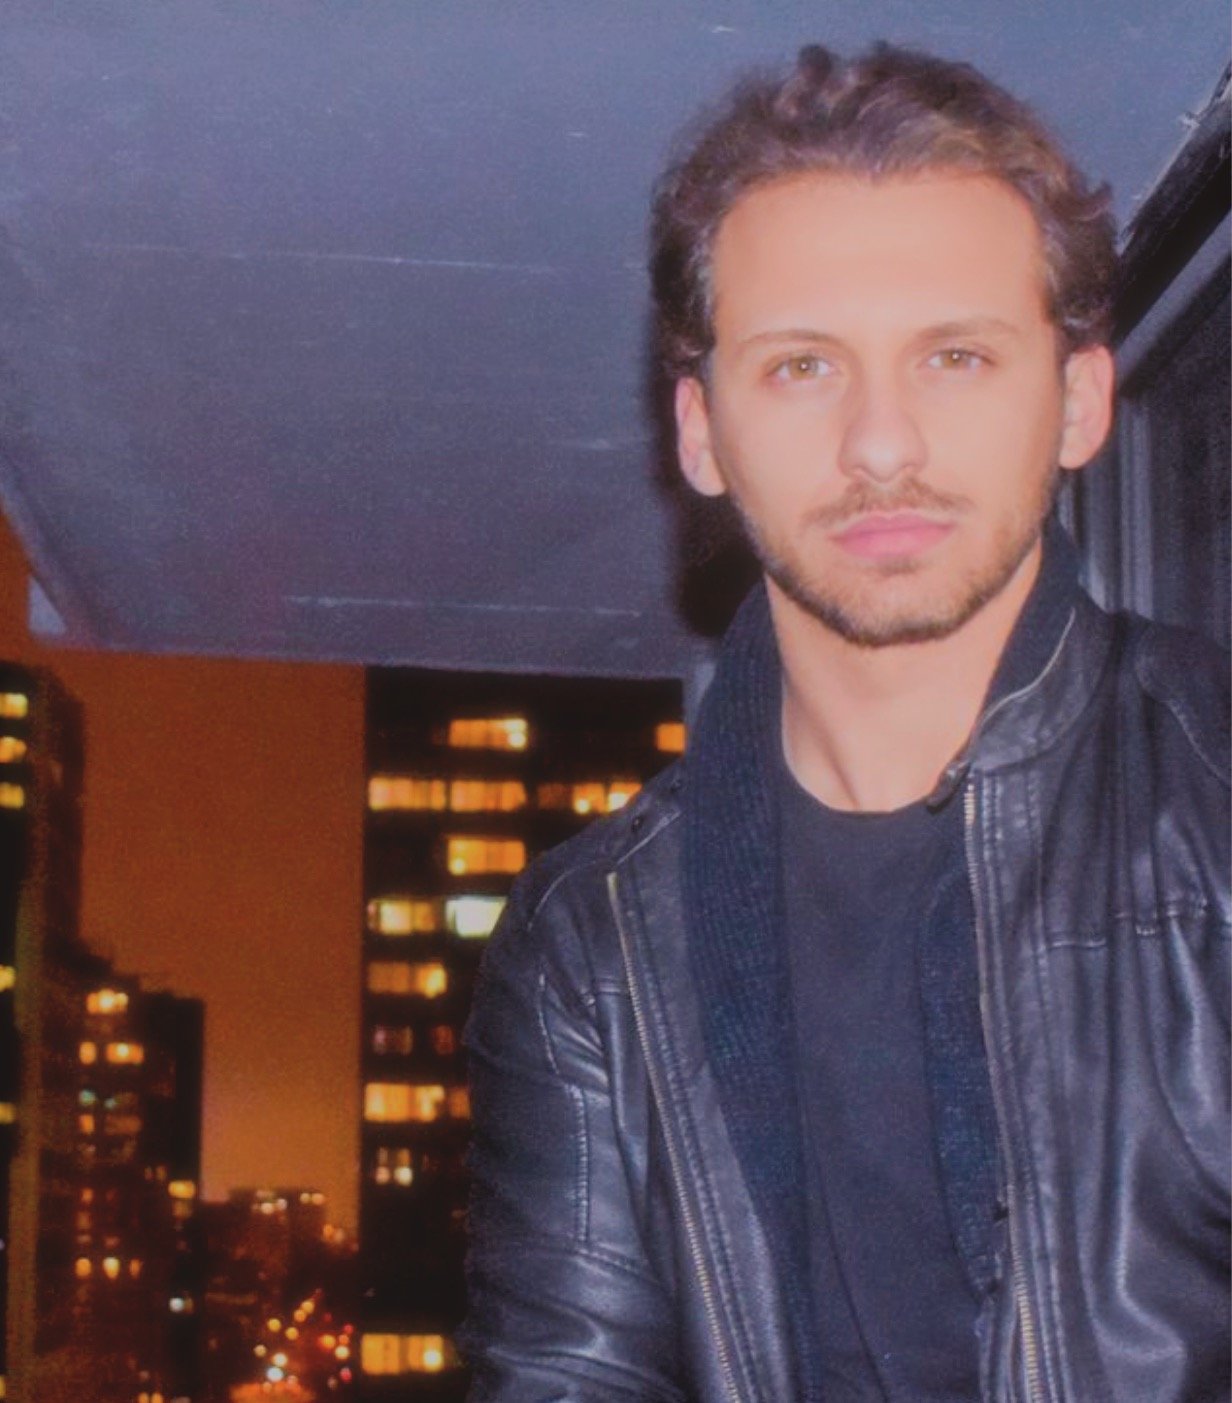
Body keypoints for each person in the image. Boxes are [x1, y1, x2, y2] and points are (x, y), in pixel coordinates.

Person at [461, 43, 1230, 1402]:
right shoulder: (592, 947)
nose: (883, 444)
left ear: (1082, 401)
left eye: (956, 356)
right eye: (804, 367)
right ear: (701, 435)